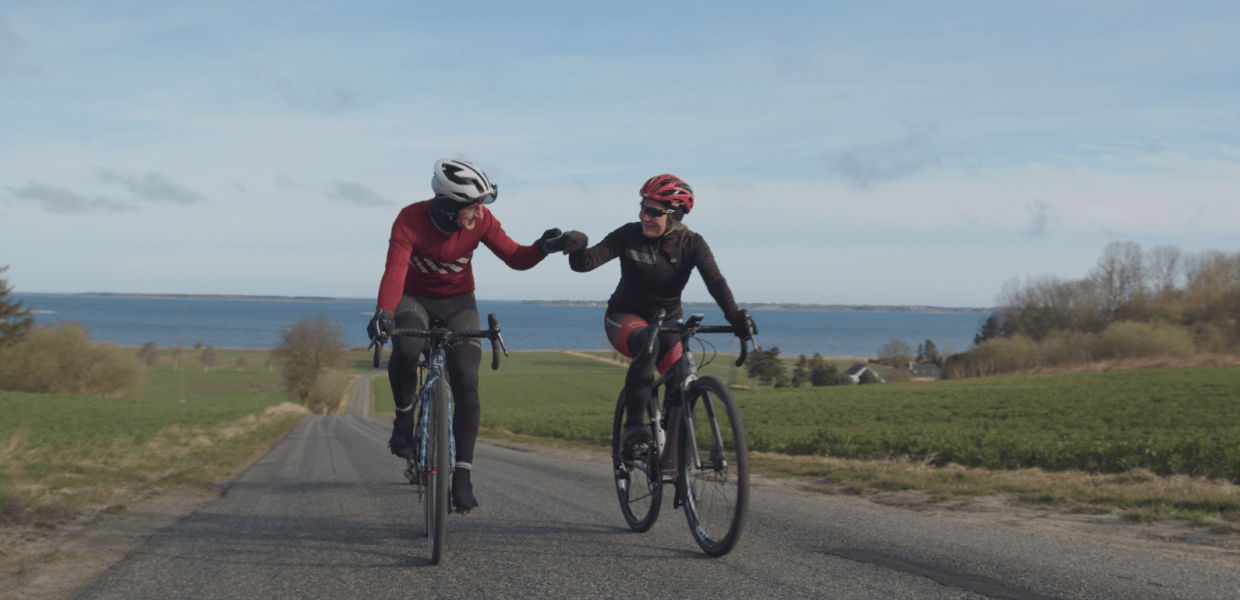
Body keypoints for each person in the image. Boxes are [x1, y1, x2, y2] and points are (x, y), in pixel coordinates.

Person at [367, 158, 583, 511]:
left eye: (483, 204)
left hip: (459, 304)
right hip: (414, 299)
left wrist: (543, 247)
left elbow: (515, 256)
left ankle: (463, 475)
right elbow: (395, 271)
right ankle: (404, 417)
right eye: (473, 205)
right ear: (450, 206)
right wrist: (384, 314)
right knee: (406, 348)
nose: (480, 212)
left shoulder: (482, 221)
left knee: (466, 377)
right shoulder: (411, 219)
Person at [563, 174, 756, 446]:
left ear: (675, 215)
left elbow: (715, 281)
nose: (643, 216)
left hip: (667, 323)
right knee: (648, 341)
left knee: (682, 382)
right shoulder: (628, 234)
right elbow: (585, 263)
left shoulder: (692, 243)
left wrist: (735, 317)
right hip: (623, 319)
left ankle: (678, 467)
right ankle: (633, 428)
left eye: (652, 212)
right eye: (642, 208)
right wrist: (578, 246)